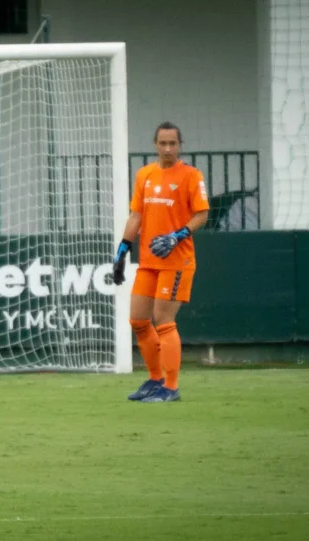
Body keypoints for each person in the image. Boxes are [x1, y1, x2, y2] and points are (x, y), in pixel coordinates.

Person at [112, 122, 209, 402]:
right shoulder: (145, 175)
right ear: (155, 145)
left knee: (164, 321)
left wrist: (177, 236)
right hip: (149, 262)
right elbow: (136, 216)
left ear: (180, 146)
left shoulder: (191, 176)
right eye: (163, 143)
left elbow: (201, 215)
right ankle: (155, 381)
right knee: (139, 320)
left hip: (176, 260)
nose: (167, 148)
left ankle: (171, 386)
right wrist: (122, 251)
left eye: (173, 144)